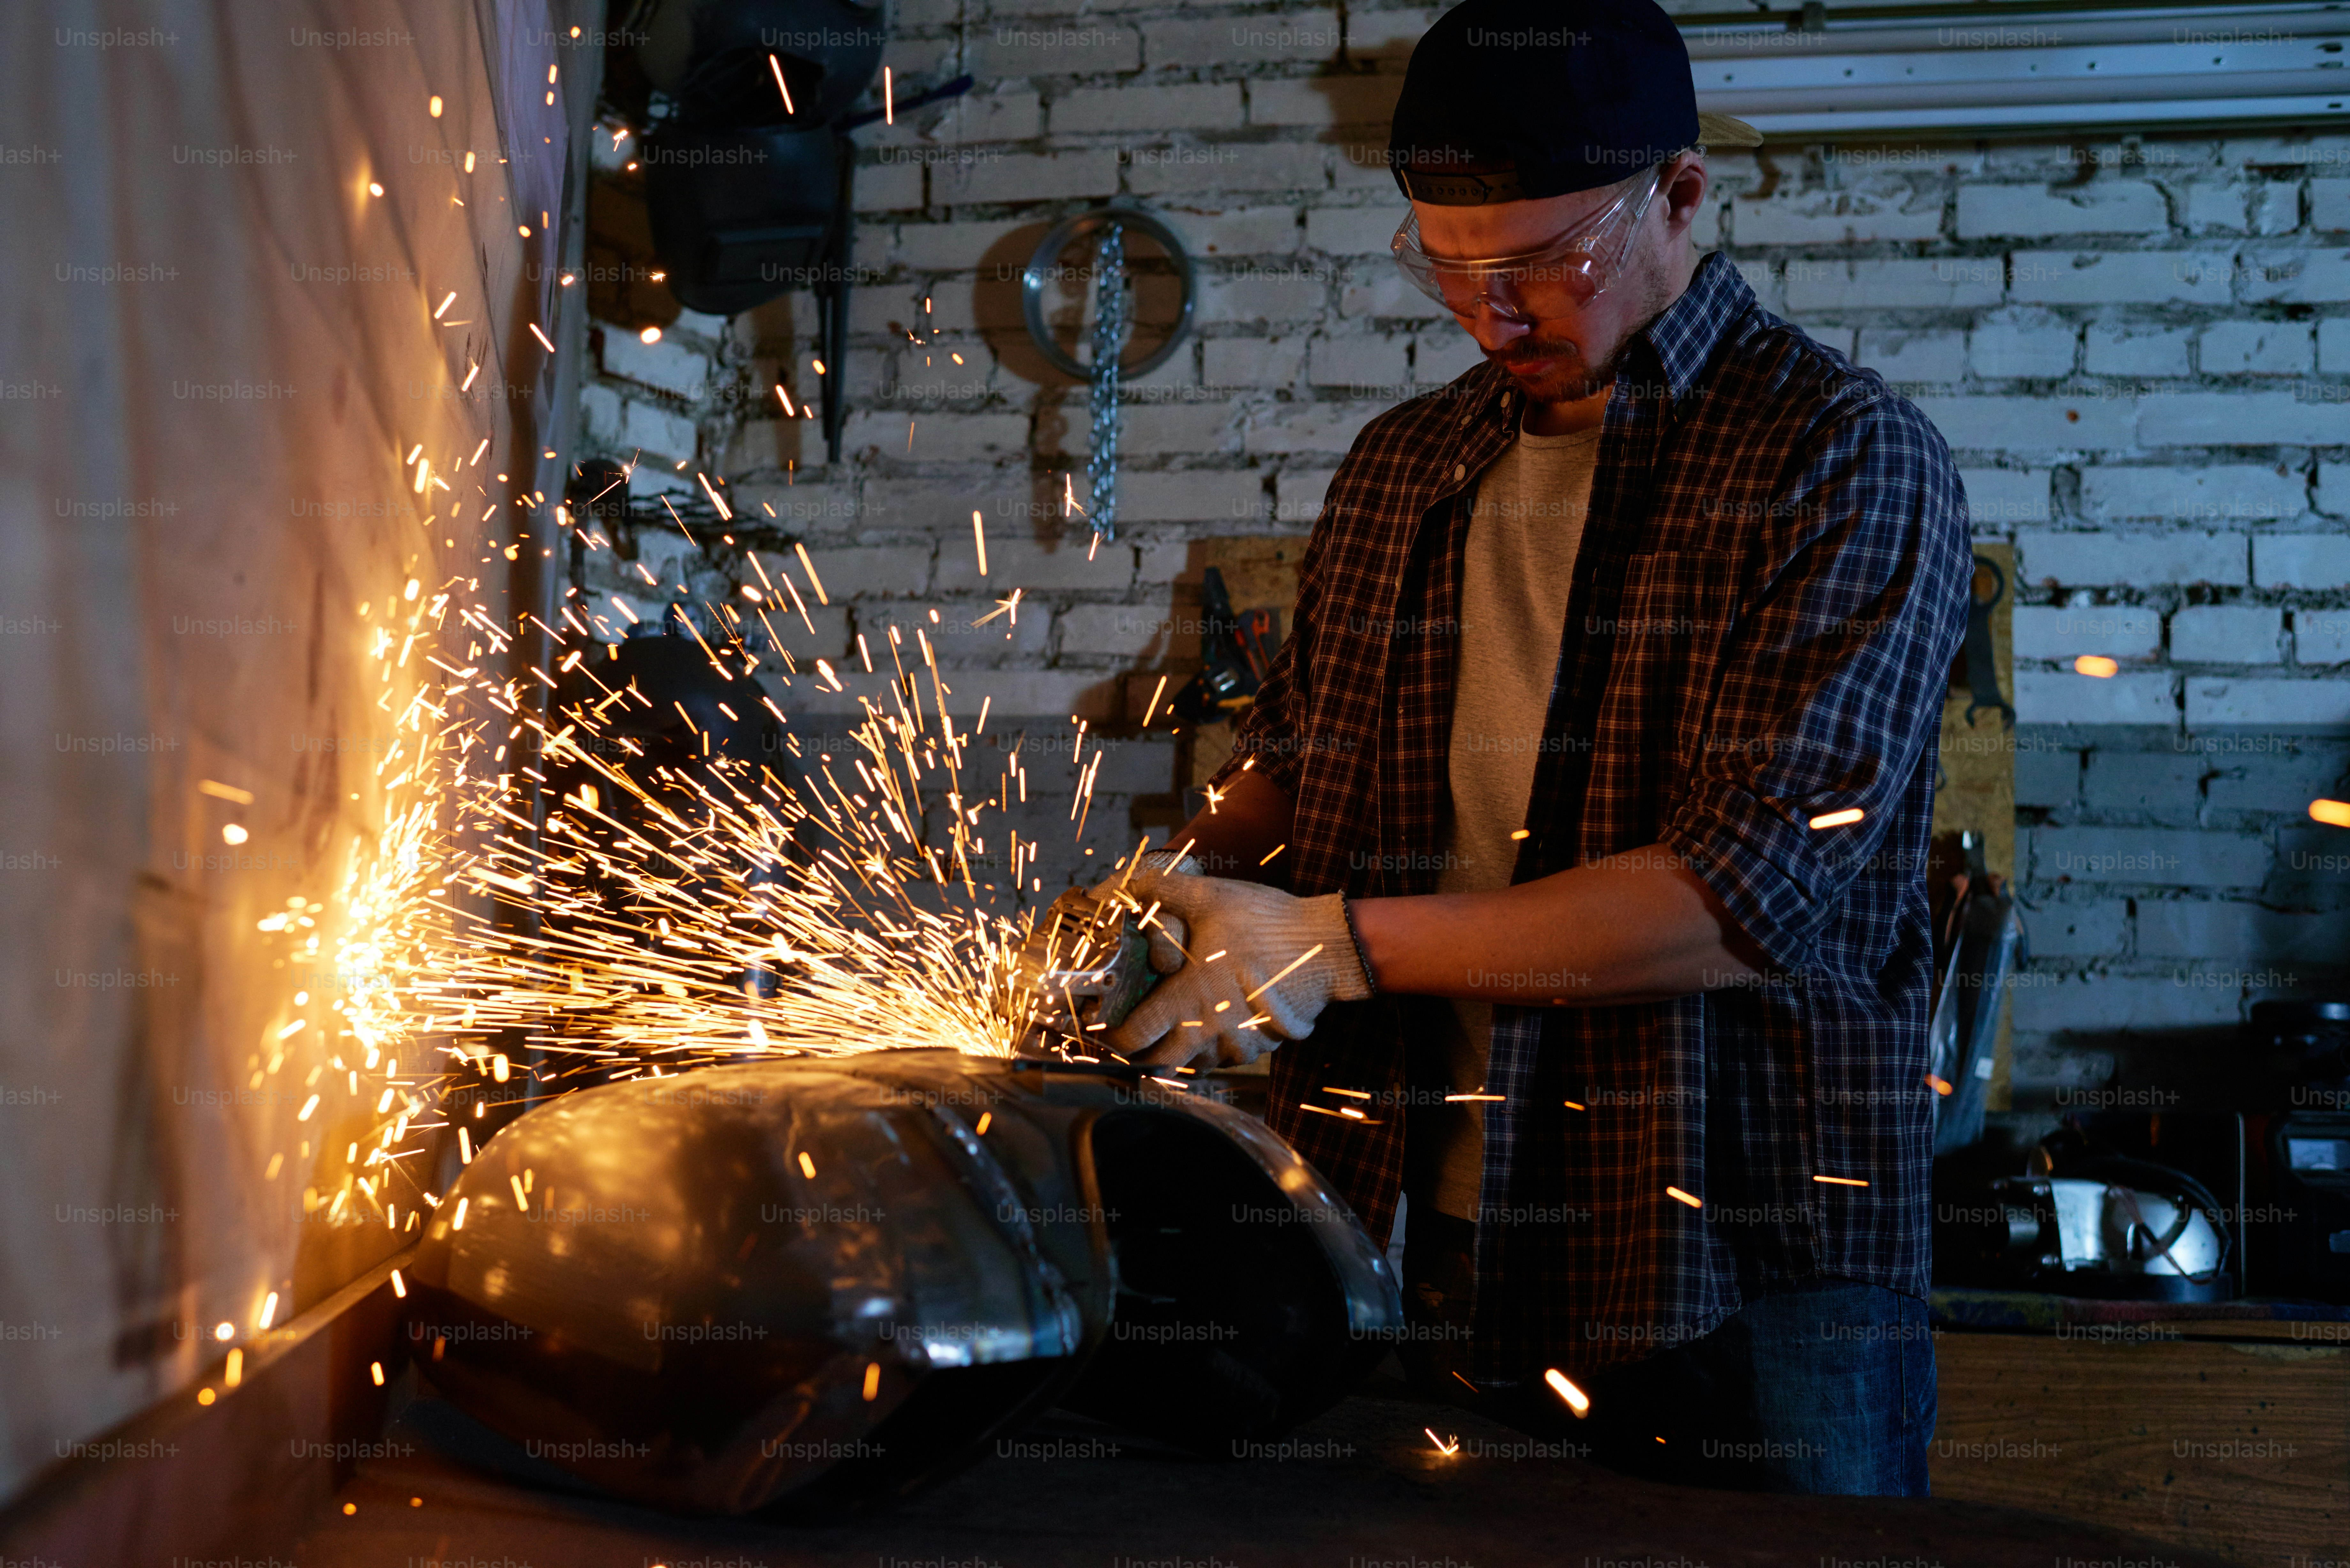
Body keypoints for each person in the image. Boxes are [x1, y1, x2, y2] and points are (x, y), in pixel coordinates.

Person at [1084, 0, 1971, 1496]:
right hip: (1403, 1227)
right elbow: (1308, 765)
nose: (1493, 317)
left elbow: (1736, 902)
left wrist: (1330, 948)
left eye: (1544, 266)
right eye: (1448, 266)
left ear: (1678, 195)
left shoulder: (1841, 459)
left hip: (1733, 1264)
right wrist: (1166, 888)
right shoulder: (1405, 463)